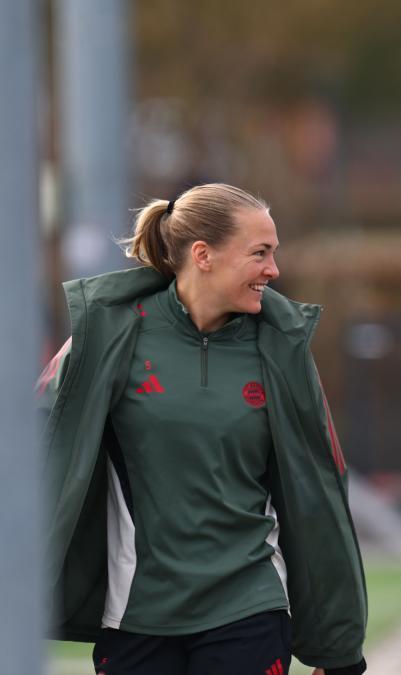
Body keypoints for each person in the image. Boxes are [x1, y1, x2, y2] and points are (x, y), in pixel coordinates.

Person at [37, 184, 368, 674]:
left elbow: (322, 490)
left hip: (249, 608)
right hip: (137, 616)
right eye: (260, 253)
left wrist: (337, 647)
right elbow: (30, 451)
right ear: (203, 255)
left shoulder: (282, 350)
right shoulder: (107, 339)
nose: (273, 271)